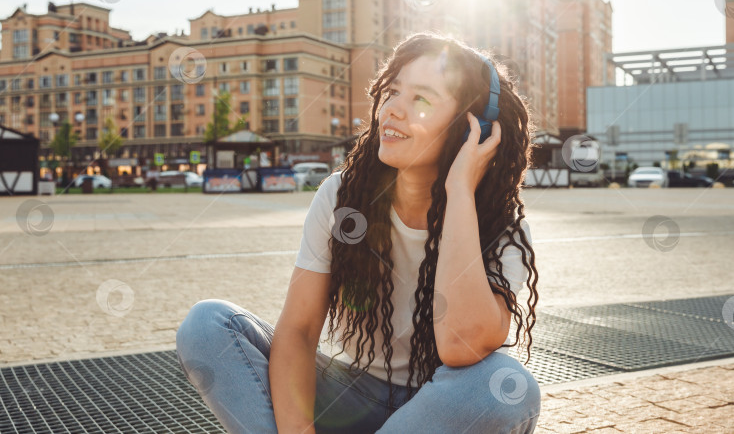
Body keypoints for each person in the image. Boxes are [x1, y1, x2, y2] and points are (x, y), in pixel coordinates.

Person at [176, 33, 542, 433]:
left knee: (510, 388)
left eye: (420, 99)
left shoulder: (503, 227)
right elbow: (298, 332)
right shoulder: (342, 196)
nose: (393, 110)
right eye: (393, 91)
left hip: (442, 409)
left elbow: (460, 345)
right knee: (208, 325)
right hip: (348, 396)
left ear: (476, 128)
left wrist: (459, 194)